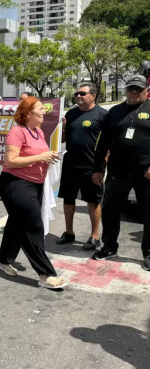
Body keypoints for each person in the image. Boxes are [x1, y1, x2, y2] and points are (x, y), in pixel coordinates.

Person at [0, 96, 67, 289]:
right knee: (33, 227)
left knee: (16, 224)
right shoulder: (17, 132)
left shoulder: (38, 132)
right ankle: (46, 274)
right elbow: (10, 161)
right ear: (28, 113)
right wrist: (41, 156)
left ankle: (3, 259)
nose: (44, 111)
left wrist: (48, 157)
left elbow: (37, 156)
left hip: (35, 185)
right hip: (16, 185)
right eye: (40, 108)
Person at [91, 75, 150, 270]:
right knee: (110, 209)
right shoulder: (114, 112)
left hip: (145, 172)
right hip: (118, 170)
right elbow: (103, 143)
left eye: (138, 89)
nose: (133, 92)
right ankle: (109, 246)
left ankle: (148, 252)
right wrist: (97, 168)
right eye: (130, 88)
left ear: (146, 91)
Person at [56, 83, 107, 250]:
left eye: (82, 94)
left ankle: (95, 236)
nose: (78, 96)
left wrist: (101, 167)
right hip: (71, 164)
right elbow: (63, 140)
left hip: (92, 167)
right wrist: (62, 129)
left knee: (93, 200)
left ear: (93, 95)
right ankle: (69, 232)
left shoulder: (102, 115)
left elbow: (110, 144)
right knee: (68, 198)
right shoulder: (71, 114)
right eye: (77, 93)